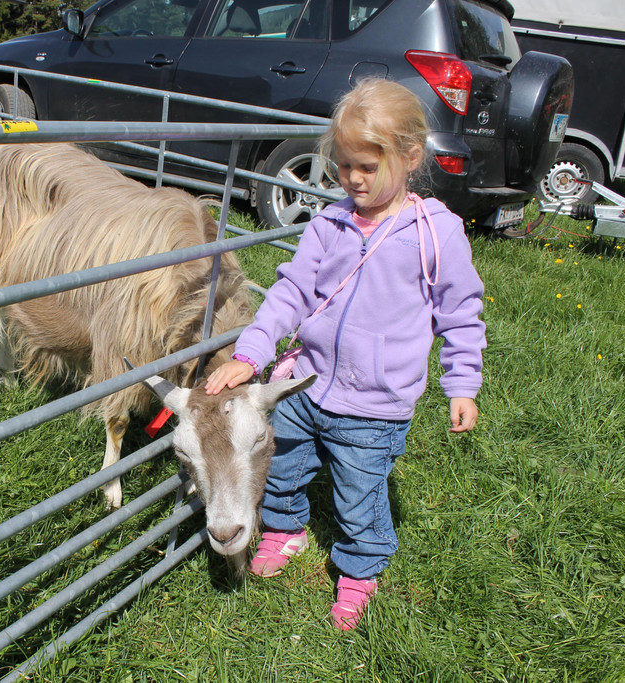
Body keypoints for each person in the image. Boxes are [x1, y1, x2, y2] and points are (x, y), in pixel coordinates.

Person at [204, 79, 486, 631]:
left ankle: (359, 570)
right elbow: (291, 293)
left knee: (359, 494)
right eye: (343, 165)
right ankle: (285, 530)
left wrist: (462, 385)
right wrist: (251, 352)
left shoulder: (437, 236)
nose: (352, 179)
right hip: (306, 383)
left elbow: (461, 314)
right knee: (280, 466)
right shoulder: (329, 225)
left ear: (411, 157)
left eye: (366, 166)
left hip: (374, 404)